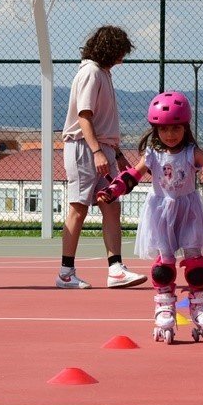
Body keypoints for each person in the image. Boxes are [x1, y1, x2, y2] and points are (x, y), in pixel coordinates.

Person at [96, 91, 203, 343]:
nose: (170, 135)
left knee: (196, 266)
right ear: (155, 129)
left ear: (185, 127)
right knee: (163, 267)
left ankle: (200, 306)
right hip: (160, 212)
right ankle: (165, 306)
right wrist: (112, 190)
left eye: (176, 129)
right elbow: (130, 177)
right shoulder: (152, 155)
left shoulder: (192, 152)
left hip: (188, 211)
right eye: (164, 129)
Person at [57, 25, 146, 289]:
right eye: (120, 51)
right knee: (78, 208)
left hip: (101, 148)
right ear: (109, 49)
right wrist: (97, 151)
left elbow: (103, 121)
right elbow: (85, 116)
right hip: (84, 147)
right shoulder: (91, 72)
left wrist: (115, 153)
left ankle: (116, 269)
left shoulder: (103, 73)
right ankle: (65, 273)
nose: (123, 57)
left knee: (111, 205)